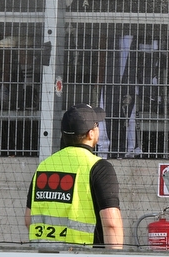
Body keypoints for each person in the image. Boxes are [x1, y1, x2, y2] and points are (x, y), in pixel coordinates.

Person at [25, 103, 124, 247]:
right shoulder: (99, 168)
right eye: (97, 125)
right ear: (91, 133)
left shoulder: (44, 166)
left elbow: (29, 220)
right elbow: (111, 223)